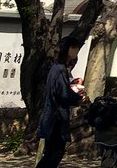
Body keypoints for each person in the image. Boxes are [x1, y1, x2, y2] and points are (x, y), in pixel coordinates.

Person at [35, 35, 86, 168]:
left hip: (53, 117)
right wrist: (78, 99)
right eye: (75, 49)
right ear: (70, 49)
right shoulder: (60, 69)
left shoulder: (57, 68)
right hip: (55, 118)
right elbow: (63, 93)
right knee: (55, 153)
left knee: (52, 153)